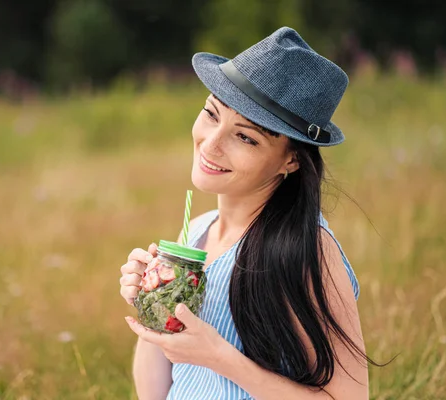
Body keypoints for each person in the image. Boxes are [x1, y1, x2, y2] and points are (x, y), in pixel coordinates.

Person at [119, 27, 378, 400]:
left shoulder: (307, 250)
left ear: (290, 160)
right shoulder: (196, 232)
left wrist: (221, 357)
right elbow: (159, 386)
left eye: (245, 137)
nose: (211, 143)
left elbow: (350, 398)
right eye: (211, 113)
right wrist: (152, 303)